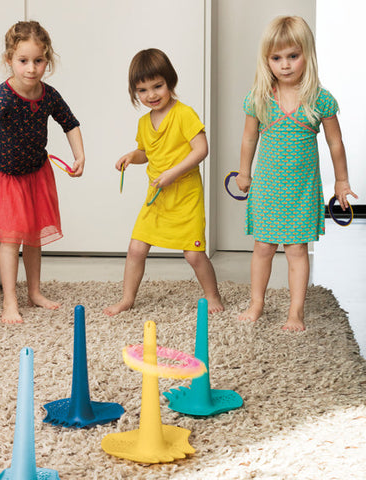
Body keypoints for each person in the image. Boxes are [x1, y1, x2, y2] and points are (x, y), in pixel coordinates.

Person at [236, 16, 357, 331]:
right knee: (263, 247)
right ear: (267, 60)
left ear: (307, 54)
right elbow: (249, 138)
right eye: (276, 58)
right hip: (267, 188)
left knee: (297, 250)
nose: (285, 65)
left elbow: (335, 143)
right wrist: (244, 172)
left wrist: (342, 181)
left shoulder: (319, 98)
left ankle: (296, 312)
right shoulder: (260, 98)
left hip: (301, 190)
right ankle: (257, 303)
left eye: (293, 56)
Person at [0, 20, 85, 324]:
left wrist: (79, 155)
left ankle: (34, 292)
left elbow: (69, 122)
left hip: (36, 173)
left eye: (38, 60)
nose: (31, 69)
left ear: (48, 60)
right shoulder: (4, 96)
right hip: (6, 177)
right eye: (23, 61)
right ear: (9, 61)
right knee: (11, 240)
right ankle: (9, 301)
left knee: (34, 238)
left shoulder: (49, 94)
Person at [104, 48, 223, 316]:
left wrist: (173, 173)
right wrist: (130, 156)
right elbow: (146, 153)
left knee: (193, 254)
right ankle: (127, 299)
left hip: (185, 195)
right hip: (157, 197)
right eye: (143, 90)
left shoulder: (184, 114)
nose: (152, 95)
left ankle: (212, 294)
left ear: (171, 81)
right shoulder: (144, 122)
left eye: (157, 86)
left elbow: (201, 149)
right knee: (136, 248)